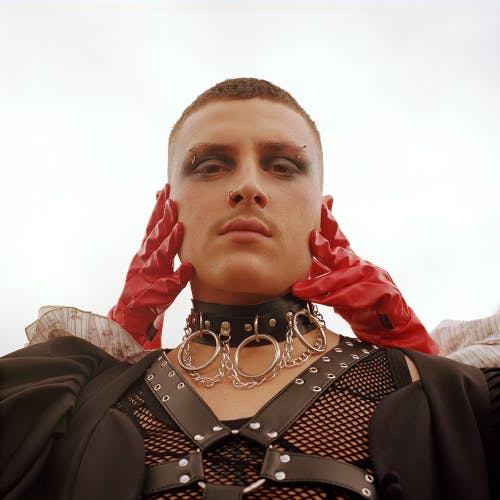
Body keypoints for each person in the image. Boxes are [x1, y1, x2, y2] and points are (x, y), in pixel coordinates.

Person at [1, 78, 498, 500]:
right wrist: (112, 354)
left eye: (282, 166)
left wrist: (426, 379)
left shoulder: (450, 395)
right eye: (211, 165)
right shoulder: (63, 403)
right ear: (168, 204)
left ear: (321, 210)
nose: (247, 186)